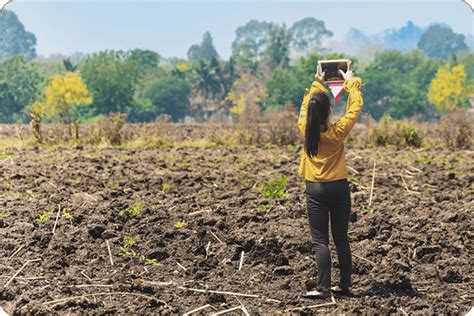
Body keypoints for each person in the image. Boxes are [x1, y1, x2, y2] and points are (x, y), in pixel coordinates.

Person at [298, 63, 363, 299]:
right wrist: (351, 82)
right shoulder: (337, 132)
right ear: (328, 113)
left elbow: (307, 108)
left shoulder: (305, 129)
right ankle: (344, 285)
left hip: (315, 190)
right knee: (341, 238)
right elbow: (355, 108)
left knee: (320, 241)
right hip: (339, 189)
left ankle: (324, 288)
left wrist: (318, 82)